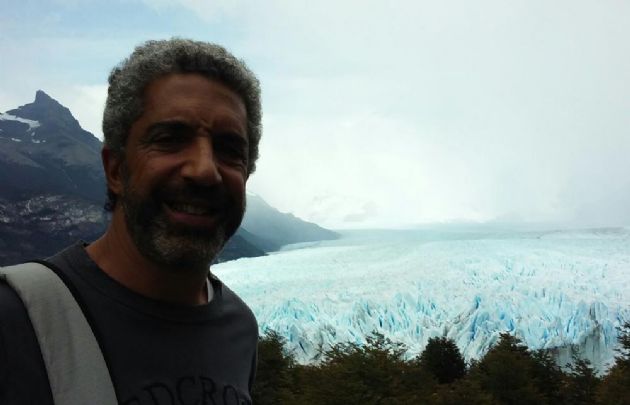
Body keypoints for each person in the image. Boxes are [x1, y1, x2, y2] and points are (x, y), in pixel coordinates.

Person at [0, 38, 261, 404]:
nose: (205, 170)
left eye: (231, 149)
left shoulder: (239, 328)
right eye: (171, 139)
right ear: (116, 170)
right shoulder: (14, 321)